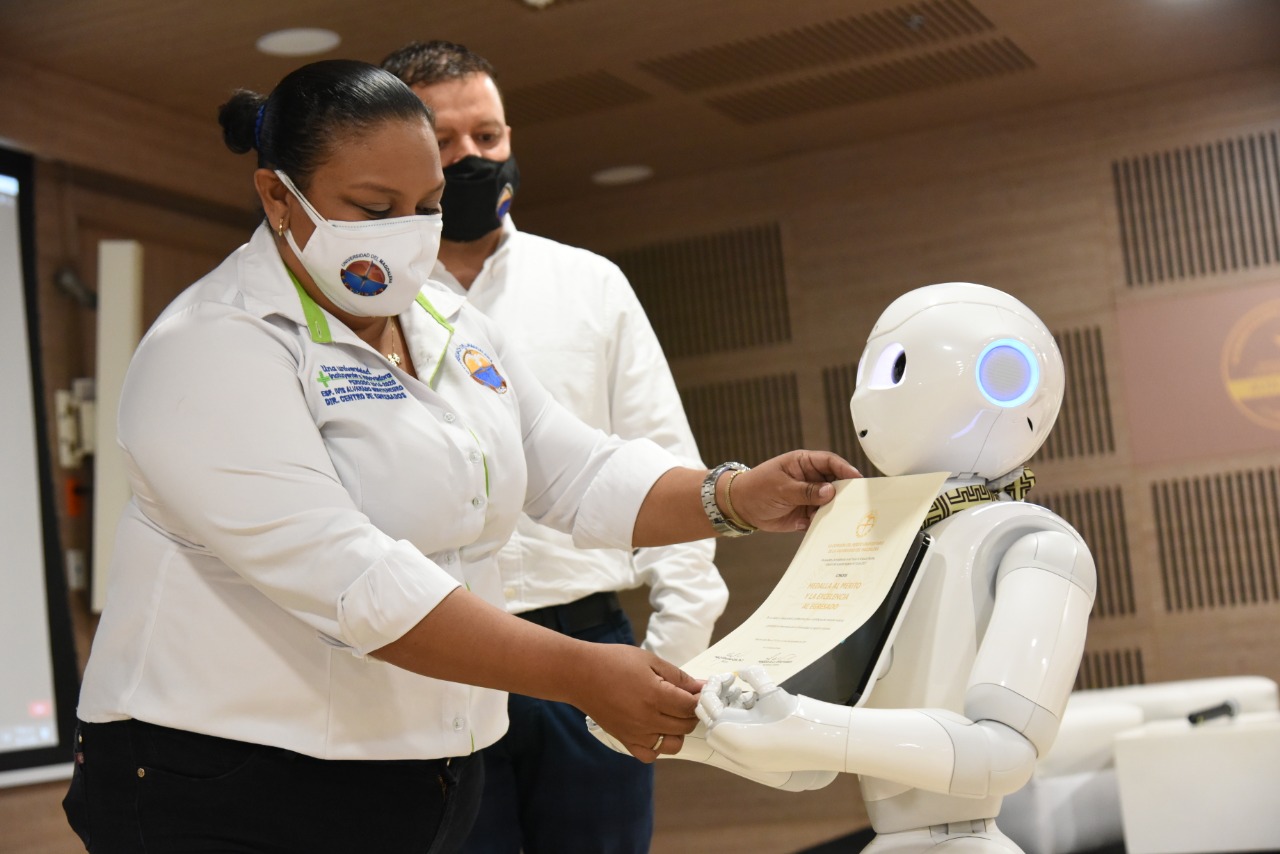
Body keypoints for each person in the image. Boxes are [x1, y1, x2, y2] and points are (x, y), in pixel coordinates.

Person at [60, 59, 858, 854]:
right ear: (277, 198)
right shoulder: (212, 347)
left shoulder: (442, 316)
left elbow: (571, 469)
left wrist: (734, 495)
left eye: (428, 205)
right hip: (225, 777)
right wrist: (585, 674)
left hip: (422, 761)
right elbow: (357, 584)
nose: (410, 233)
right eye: (376, 208)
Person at [379, 40, 726, 853]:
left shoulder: (590, 285)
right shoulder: (368, 306)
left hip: (590, 648)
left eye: (488, 137)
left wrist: (669, 655)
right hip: (441, 655)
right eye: (444, 140)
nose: (471, 157)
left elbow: (661, 458)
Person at [695, 283, 1096, 854]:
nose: (867, 397)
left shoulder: (1036, 545)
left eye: (896, 367)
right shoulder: (878, 536)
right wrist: (693, 723)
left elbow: (1005, 750)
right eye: (870, 370)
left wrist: (811, 729)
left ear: (1006, 375)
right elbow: (805, 764)